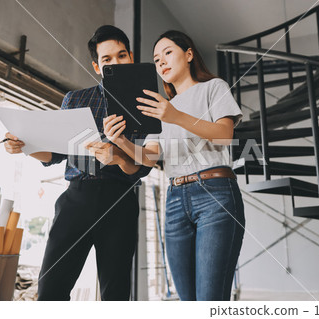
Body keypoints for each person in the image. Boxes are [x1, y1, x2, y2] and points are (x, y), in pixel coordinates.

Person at [3, 25, 151, 301]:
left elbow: (141, 167)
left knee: (115, 294)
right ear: (97, 66)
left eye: (121, 56)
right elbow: (56, 154)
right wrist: (26, 147)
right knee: (50, 291)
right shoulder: (76, 99)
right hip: (76, 199)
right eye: (107, 60)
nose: (115, 64)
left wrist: (117, 156)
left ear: (131, 57)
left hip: (119, 201)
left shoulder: (146, 103)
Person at [103, 30, 245, 301]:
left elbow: (224, 134)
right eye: (156, 60)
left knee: (209, 301)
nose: (162, 62)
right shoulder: (162, 108)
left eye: (168, 52)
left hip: (215, 194)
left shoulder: (213, 88)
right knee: (187, 301)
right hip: (176, 199)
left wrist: (176, 116)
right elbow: (150, 157)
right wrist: (120, 141)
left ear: (189, 54)